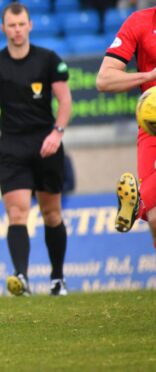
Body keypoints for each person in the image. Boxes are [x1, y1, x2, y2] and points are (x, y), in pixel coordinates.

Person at [0, 3, 73, 297]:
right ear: (3, 28)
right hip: (12, 146)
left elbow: (65, 101)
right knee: (17, 213)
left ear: (30, 25)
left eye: (21, 24)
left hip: (46, 143)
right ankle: (22, 278)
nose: (17, 30)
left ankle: (57, 278)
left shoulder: (49, 60)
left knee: (51, 213)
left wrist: (57, 132)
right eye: (11, 25)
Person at [96, 6, 156, 248]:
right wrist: (148, 76)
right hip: (152, 123)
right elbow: (104, 79)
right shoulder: (140, 22)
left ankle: (137, 203)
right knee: (155, 219)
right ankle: (141, 204)